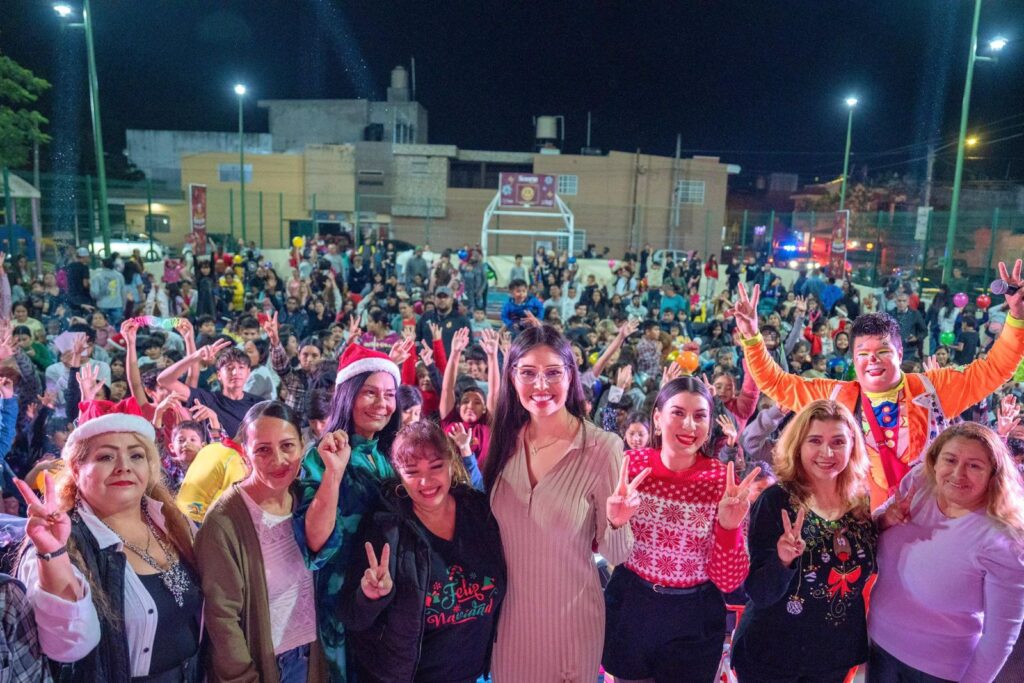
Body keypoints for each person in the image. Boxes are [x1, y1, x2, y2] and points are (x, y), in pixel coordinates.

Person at [729, 260, 1024, 507]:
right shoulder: (833, 396)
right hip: (860, 523)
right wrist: (752, 336)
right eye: (863, 353)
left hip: (928, 516)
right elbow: (774, 382)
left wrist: (1016, 318)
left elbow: (994, 369)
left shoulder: (932, 388)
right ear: (853, 359)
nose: (873, 360)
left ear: (899, 352)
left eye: (882, 351)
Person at [483, 325, 642, 683]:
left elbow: (616, 556)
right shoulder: (505, 441)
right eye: (528, 373)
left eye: (553, 373)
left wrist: (617, 523)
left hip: (571, 622)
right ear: (511, 378)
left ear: (571, 377)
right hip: (510, 622)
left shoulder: (603, 447)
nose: (541, 386)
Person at [14, 412, 203, 680]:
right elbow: (68, 648)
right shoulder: (61, 543)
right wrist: (53, 554)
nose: (123, 466)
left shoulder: (173, 523)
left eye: (136, 455)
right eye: (106, 457)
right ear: (77, 471)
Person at [603, 377, 758, 683]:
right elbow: (604, 548)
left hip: (694, 615)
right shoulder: (628, 467)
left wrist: (729, 527)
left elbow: (729, 580)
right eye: (678, 413)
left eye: (700, 416)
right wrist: (614, 523)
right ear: (657, 418)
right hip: (632, 603)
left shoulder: (721, 480)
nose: (689, 425)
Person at [341, 421, 506, 683]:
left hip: (475, 675)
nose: (425, 481)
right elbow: (352, 617)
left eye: (436, 467)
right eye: (412, 472)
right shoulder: (385, 526)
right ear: (399, 474)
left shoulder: (480, 513)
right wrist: (370, 596)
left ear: (451, 462)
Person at [733, 400, 877, 683]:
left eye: (838, 442)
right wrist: (783, 560)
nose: (827, 452)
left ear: (852, 446)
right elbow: (759, 592)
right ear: (798, 446)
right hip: (772, 657)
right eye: (815, 441)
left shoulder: (863, 504)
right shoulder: (775, 501)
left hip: (833, 657)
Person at [868, 422, 1024, 683]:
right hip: (879, 647)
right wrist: (884, 519)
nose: (958, 473)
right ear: (934, 462)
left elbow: (1000, 635)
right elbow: (876, 523)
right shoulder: (919, 482)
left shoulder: (1004, 539)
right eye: (950, 460)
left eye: (974, 465)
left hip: (939, 670)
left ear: (993, 474)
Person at [196, 402, 331, 682]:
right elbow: (221, 618)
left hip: (315, 655)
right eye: (263, 450)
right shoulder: (225, 521)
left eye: (287, 446)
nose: (279, 460)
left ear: (302, 445)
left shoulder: (307, 500)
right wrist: (242, 677)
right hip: (271, 666)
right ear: (245, 451)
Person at [293, 344, 402, 682]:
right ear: (348, 396)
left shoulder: (386, 455)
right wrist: (335, 474)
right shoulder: (321, 456)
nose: (382, 404)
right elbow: (314, 542)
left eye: (389, 394)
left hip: (381, 599)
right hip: (337, 603)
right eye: (370, 393)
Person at [157, 338, 263, 437]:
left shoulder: (258, 405)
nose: (235, 372)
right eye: (229, 368)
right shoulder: (206, 399)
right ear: (219, 375)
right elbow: (164, 380)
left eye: (241, 367)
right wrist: (196, 356)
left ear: (248, 372)